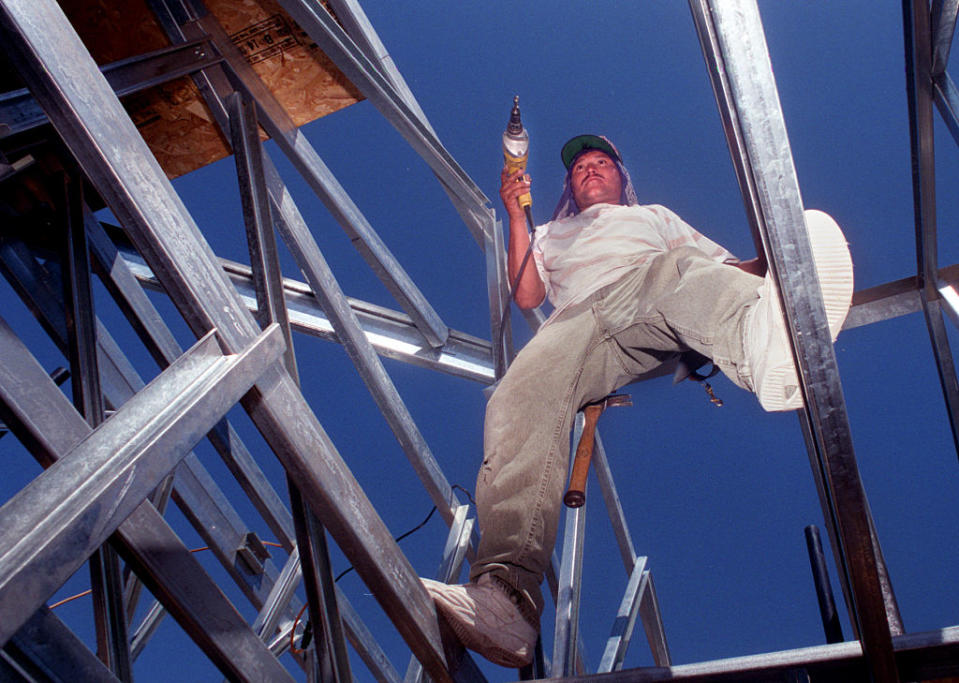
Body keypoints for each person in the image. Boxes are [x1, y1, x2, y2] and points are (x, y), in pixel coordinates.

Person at [422, 135, 853, 668]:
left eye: (601, 163)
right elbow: (528, 294)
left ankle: (763, 347)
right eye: (580, 167)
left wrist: (781, 262)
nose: (591, 170)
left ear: (622, 179)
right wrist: (515, 214)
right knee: (516, 395)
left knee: (678, 269)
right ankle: (505, 599)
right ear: (569, 187)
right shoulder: (552, 232)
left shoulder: (652, 216)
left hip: (651, 298)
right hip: (577, 321)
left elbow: (721, 267)